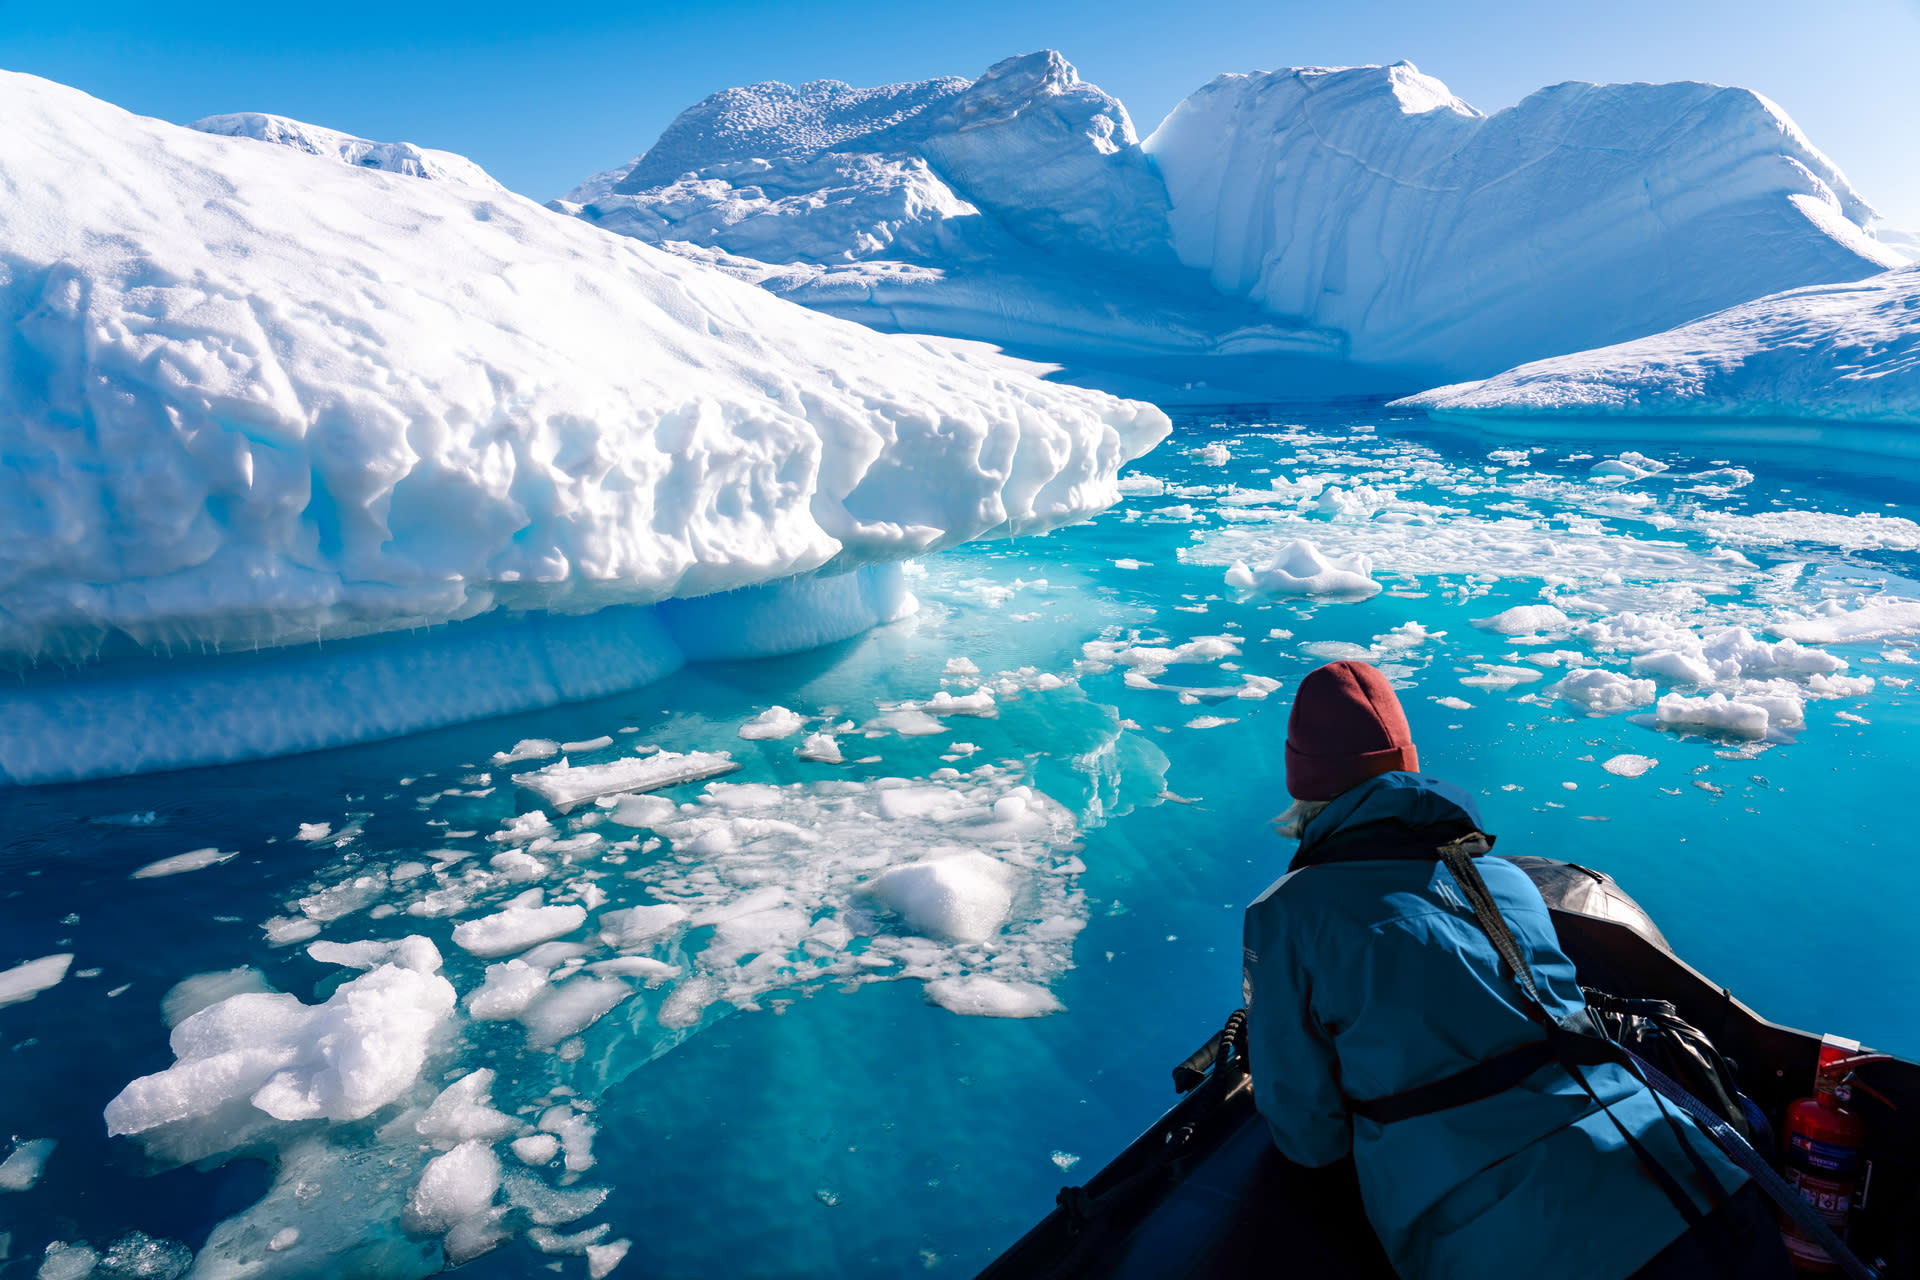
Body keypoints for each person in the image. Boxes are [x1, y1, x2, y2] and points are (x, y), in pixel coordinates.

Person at [1241, 660, 1795, 1280]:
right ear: (1407, 769)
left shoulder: (1289, 913)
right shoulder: (1505, 880)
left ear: (1307, 787)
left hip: (1526, 1242)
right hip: (1701, 1182)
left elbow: (1308, 1136)